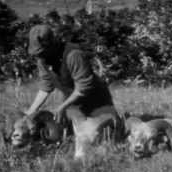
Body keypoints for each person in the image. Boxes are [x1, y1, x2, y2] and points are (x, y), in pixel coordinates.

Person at [24, 24, 124, 154]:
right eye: (37, 53)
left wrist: (61, 108)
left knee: (93, 139)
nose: (39, 56)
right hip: (73, 106)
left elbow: (84, 87)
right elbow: (45, 86)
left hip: (97, 104)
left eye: (42, 51)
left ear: (52, 44)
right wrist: (30, 112)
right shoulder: (43, 59)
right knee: (55, 134)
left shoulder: (73, 55)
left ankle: (116, 127)